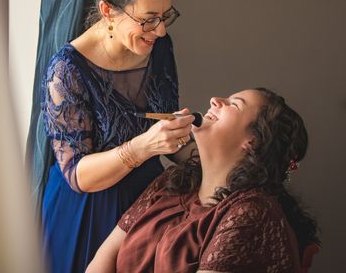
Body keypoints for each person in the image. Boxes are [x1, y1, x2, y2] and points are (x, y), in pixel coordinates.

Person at [40, 0, 195, 273]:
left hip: (148, 204)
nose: (161, 30)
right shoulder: (67, 71)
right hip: (87, 212)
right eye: (148, 18)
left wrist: (190, 139)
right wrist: (142, 146)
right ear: (108, 10)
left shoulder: (159, 48)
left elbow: (166, 136)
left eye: (166, 14)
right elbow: (78, 175)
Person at [87, 88, 319, 273]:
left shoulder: (253, 213)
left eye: (234, 104)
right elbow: (104, 259)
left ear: (253, 141)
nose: (215, 100)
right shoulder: (170, 183)